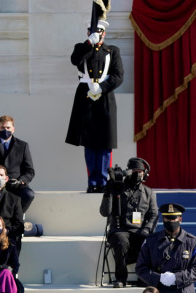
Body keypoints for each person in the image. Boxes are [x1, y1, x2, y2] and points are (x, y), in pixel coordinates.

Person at [65, 16, 124, 193]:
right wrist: (88, 43)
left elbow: (118, 75)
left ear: (104, 33)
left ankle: (104, 181)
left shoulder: (112, 51)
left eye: (99, 32)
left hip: (105, 96)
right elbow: (75, 60)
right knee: (89, 142)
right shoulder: (81, 48)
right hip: (86, 96)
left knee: (106, 141)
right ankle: (93, 181)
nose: (97, 35)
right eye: (92, 32)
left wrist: (102, 87)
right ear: (88, 33)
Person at [100, 158, 158, 288]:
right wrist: (108, 192)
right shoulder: (117, 187)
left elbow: (154, 214)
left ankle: (144, 277)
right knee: (121, 240)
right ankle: (121, 278)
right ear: (128, 172)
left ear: (145, 174)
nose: (138, 174)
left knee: (150, 240)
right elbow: (104, 212)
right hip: (120, 230)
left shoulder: (148, 192)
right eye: (134, 171)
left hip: (139, 230)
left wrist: (147, 229)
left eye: (140, 171)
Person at [0, 115, 35, 213]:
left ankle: (15, 217)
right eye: (3, 128)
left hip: (16, 185)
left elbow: (29, 170)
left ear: (13, 129)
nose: (5, 130)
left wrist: (20, 181)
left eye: (8, 128)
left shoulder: (23, 146)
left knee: (29, 195)